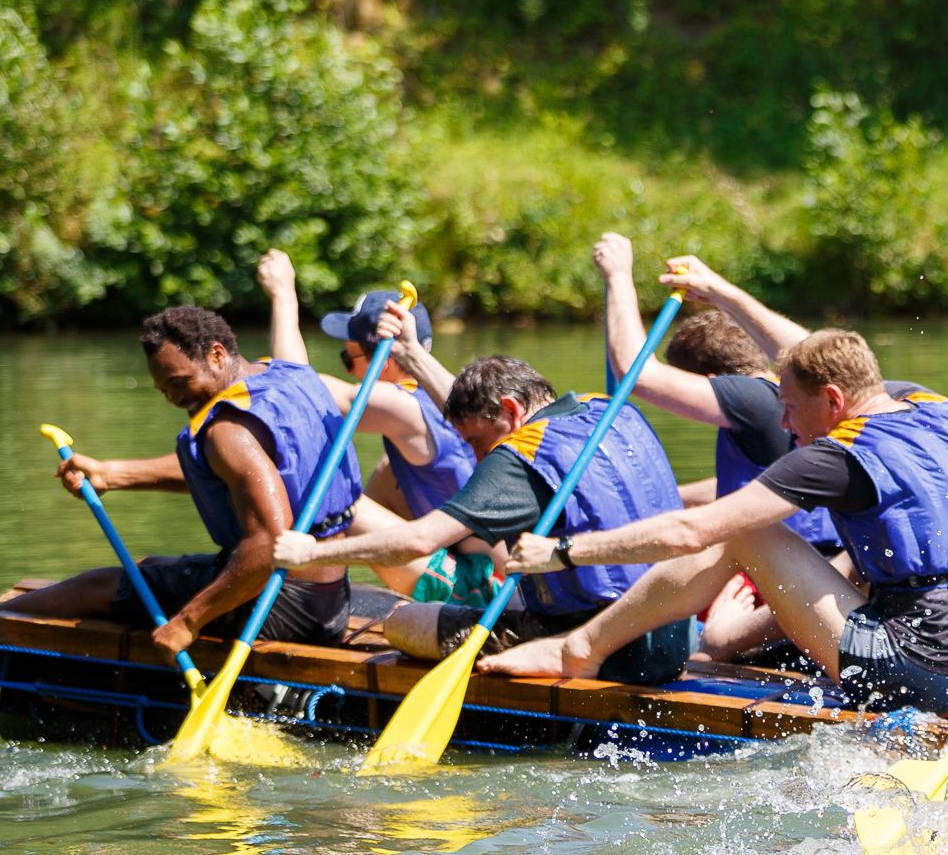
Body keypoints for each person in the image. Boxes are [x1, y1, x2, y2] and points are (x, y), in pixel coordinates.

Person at [479, 329, 948, 716]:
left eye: (789, 405)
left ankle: (579, 649)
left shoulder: (834, 458)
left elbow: (693, 531)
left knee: (739, 529)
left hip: (912, 674)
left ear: (833, 400)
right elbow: (829, 353)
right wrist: (720, 291)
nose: (784, 423)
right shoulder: (941, 409)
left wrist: (563, 552)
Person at [0, 304, 366, 653]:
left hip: (279, 607)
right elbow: (233, 474)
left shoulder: (227, 431)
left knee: (101, 586)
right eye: (163, 390)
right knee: (145, 569)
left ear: (217, 355)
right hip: (329, 601)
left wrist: (188, 622)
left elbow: (267, 545)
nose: (174, 398)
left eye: (179, 383)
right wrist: (112, 475)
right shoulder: (291, 375)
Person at [269, 354, 695, 684]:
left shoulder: (517, 458)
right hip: (675, 632)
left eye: (475, 442)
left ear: (510, 410)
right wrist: (413, 351)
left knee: (401, 621)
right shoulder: (612, 410)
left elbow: (419, 541)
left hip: (610, 649)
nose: (476, 458)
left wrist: (310, 553)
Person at [587, 235, 821, 660]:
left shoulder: (751, 399)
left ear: (710, 382)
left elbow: (637, 374)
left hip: (774, 588)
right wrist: (667, 499)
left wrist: (618, 278)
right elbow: (751, 489)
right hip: (804, 573)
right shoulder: (783, 399)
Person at [258, 251, 485, 604]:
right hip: (462, 558)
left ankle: (306, 586)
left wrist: (283, 295)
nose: (348, 370)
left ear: (388, 359)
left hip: (474, 585)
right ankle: (317, 577)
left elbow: (295, 388)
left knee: (331, 491)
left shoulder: (404, 408)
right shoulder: (441, 395)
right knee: (385, 472)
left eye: (349, 359)